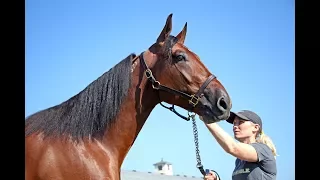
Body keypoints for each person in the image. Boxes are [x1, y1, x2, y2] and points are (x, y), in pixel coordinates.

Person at [200, 110, 277, 180]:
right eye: (234, 123)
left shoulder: (263, 150)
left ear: (255, 127)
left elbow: (233, 148)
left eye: (240, 122)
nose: (235, 126)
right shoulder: (239, 161)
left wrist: (207, 119)